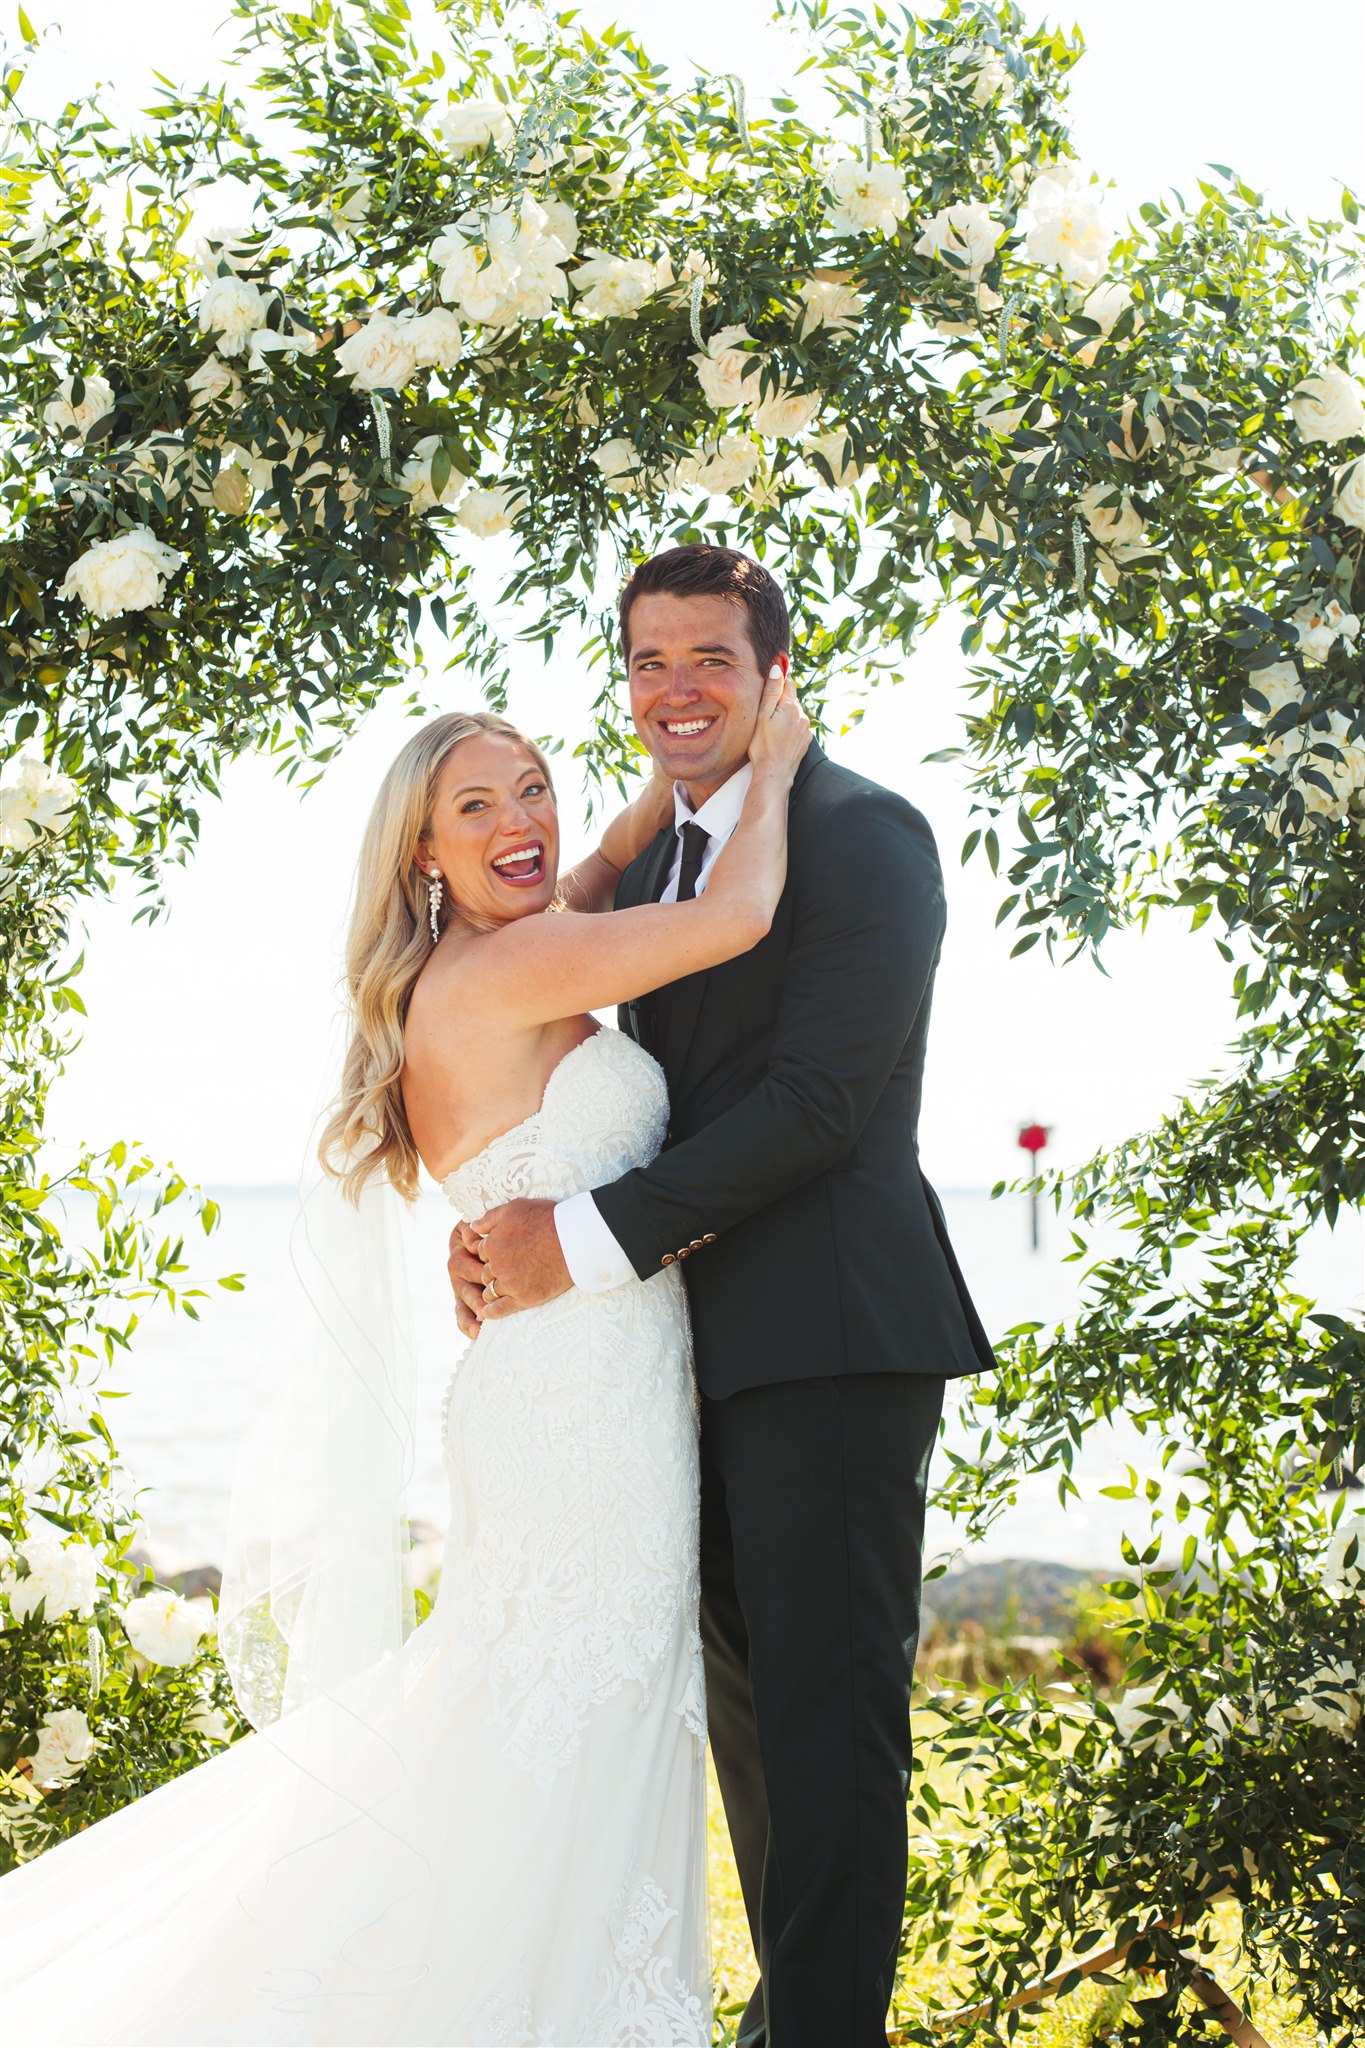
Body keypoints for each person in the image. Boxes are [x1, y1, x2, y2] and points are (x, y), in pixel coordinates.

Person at [0, 686, 811, 2046]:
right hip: (578, 1424)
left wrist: (638, 810)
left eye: (533, 786)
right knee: (569, 1728)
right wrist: (771, 765)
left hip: (572, 1398)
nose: (520, 820)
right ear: (421, 852)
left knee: (536, 1728)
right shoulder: (503, 972)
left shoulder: (489, 958)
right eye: (475, 806)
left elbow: (586, 877)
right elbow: (735, 917)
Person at [448, 544, 997, 2048]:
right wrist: (501, 1214)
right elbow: (594, 1082)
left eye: (710, 658)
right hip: (682, 1349)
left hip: (831, 1333)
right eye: (649, 662)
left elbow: (819, 1103)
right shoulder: (660, 869)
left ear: (774, 674)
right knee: (752, 1724)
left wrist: (575, 1240)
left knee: (826, 1725)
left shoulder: (861, 834)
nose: (676, 689)